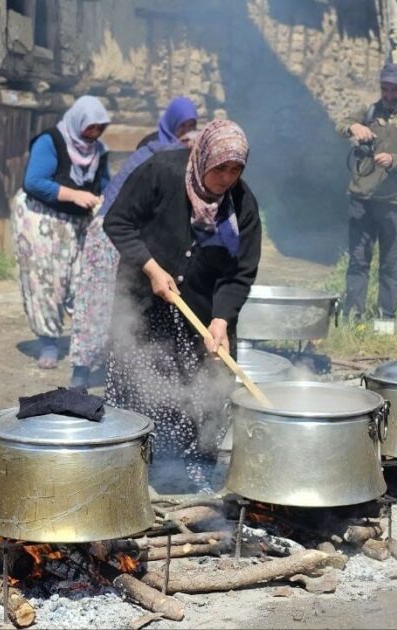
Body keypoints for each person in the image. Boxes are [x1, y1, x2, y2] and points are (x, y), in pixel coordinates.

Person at [103, 119, 261, 488]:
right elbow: (118, 222)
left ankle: (191, 479)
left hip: (204, 314)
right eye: (220, 168)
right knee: (147, 393)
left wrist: (222, 319)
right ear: (202, 157)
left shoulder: (241, 204)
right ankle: (136, 477)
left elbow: (240, 272)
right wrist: (152, 269)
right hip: (147, 306)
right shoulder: (161, 172)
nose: (227, 177)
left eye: (236, 169)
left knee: (206, 394)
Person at [68, 97, 199, 389]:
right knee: (95, 300)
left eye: (192, 125)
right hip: (109, 230)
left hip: (131, 235)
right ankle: (80, 370)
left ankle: (109, 368)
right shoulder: (155, 152)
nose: (187, 132)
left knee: (122, 302)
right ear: (170, 124)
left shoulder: (177, 155)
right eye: (183, 125)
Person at [13, 96, 111, 369]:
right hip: (42, 220)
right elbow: (33, 182)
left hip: (78, 223)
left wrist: (104, 200)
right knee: (46, 281)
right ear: (79, 121)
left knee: (84, 282)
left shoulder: (99, 150)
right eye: (90, 127)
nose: (94, 134)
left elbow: (104, 185)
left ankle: (87, 344)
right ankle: (48, 343)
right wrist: (73, 195)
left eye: (99, 128)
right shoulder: (51, 141)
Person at [336, 62, 397, 321]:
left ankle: (385, 320)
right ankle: (352, 318)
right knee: (358, 262)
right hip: (361, 199)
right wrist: (353, 127)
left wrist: (394, 161)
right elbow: (341, 124)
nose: (388, 95)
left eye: (394, 90)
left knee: (389, 266)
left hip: (396, 203)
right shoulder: (369, 111)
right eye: (385, 89)